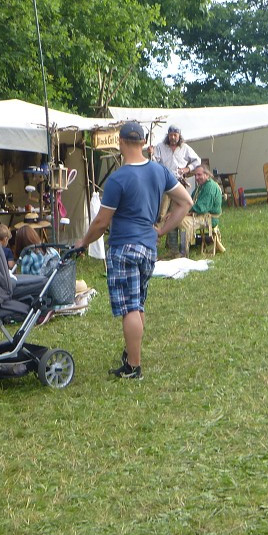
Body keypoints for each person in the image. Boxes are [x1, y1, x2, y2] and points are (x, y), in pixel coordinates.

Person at [77, 121, 193, 380]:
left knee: (129, 307)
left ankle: (133, 367)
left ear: (120, 143)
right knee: (138, 303)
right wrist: (160, 231)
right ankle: (132, 354)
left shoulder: (118, 179)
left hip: (124, 247)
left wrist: (83, 243)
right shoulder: (159, 172)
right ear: (143, 143)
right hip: (148, 248)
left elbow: (101, 222)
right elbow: (186, 202)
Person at [153, 124, 202, 256]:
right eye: (171, 135)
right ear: (168, 136)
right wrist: (150, 154)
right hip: (164, 183)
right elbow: (154, 162)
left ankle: (173, 247)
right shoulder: (160, 147)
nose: (173, 137)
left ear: (179, 135)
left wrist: (187, 169)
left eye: (175, 135)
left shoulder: (185, 148)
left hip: (179, 184)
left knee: (176, 213)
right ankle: (155, 246)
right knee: (161, 214)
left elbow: (197, 161)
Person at [180, 164, 224, 256]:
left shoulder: (210, 187)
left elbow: (201, 208)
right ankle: (174, 249)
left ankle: (184, 252)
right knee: (175, 219)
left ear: (207, 175)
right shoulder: (201, 186)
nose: (196, 177)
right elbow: (190, 201)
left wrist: (183, 213)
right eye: (195, 175)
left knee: (182, 221)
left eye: (199, 175)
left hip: (209, 219)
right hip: (200, 215)